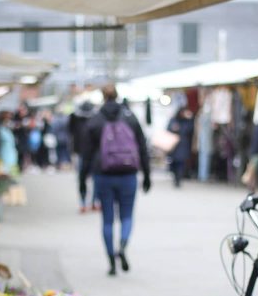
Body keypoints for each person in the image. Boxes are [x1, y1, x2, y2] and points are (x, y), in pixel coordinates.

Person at [80, 85, 151, 276]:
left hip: (103, 175)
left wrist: (82, 181)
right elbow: (142, 147)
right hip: (128, 174)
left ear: (102, 96)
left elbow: (85, 154)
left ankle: (111, 261)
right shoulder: (130, 117)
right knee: (127, 216)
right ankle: (123, 245)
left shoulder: (95, 120)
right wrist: (147, 175)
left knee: (107, 220)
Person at [70, 101, 98, 212]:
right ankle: (89, 201)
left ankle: (88, 201)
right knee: (90, 178)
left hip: (84, 153)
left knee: (85, 178)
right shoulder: (76, 119)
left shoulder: (76, 119)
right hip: (85, 153)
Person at [167, 107, 195, 187]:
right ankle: (176, 177)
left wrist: (190, 119)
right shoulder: (173, 120)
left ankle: (178, 179)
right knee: (174, 163)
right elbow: (168, 129)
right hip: (174, 145)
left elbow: (190, 130)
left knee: (181, 163)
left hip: (183, 145)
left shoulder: (187, 121)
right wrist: (173, 128)